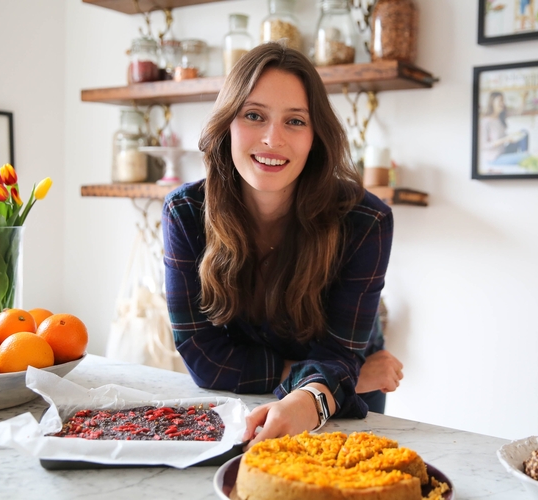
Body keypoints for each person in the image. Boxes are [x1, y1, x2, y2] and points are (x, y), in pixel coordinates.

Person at [161, 42, 402, 449]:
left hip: (331, 400)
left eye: (295, 121)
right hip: (337, 384)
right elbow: (205, 359)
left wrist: (315, 392)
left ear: (315, 137)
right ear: (228, 125)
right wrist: (344, 378)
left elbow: (339, 354)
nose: (273, 138)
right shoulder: (185, 213)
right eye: (254, 115)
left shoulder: (366, 221)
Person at [479, 91, 529, 166]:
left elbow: (519, 111)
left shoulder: (500, 117)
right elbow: (483, 146)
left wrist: (523, 98)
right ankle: (524, 157)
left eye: (503, 100)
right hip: (494, 158)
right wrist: (505, 139)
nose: (503, 103)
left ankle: (524, 155)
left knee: (523, 133)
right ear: (492, 102)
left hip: (503, 151)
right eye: (500, 100)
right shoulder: (485, 122)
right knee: (527, 157)